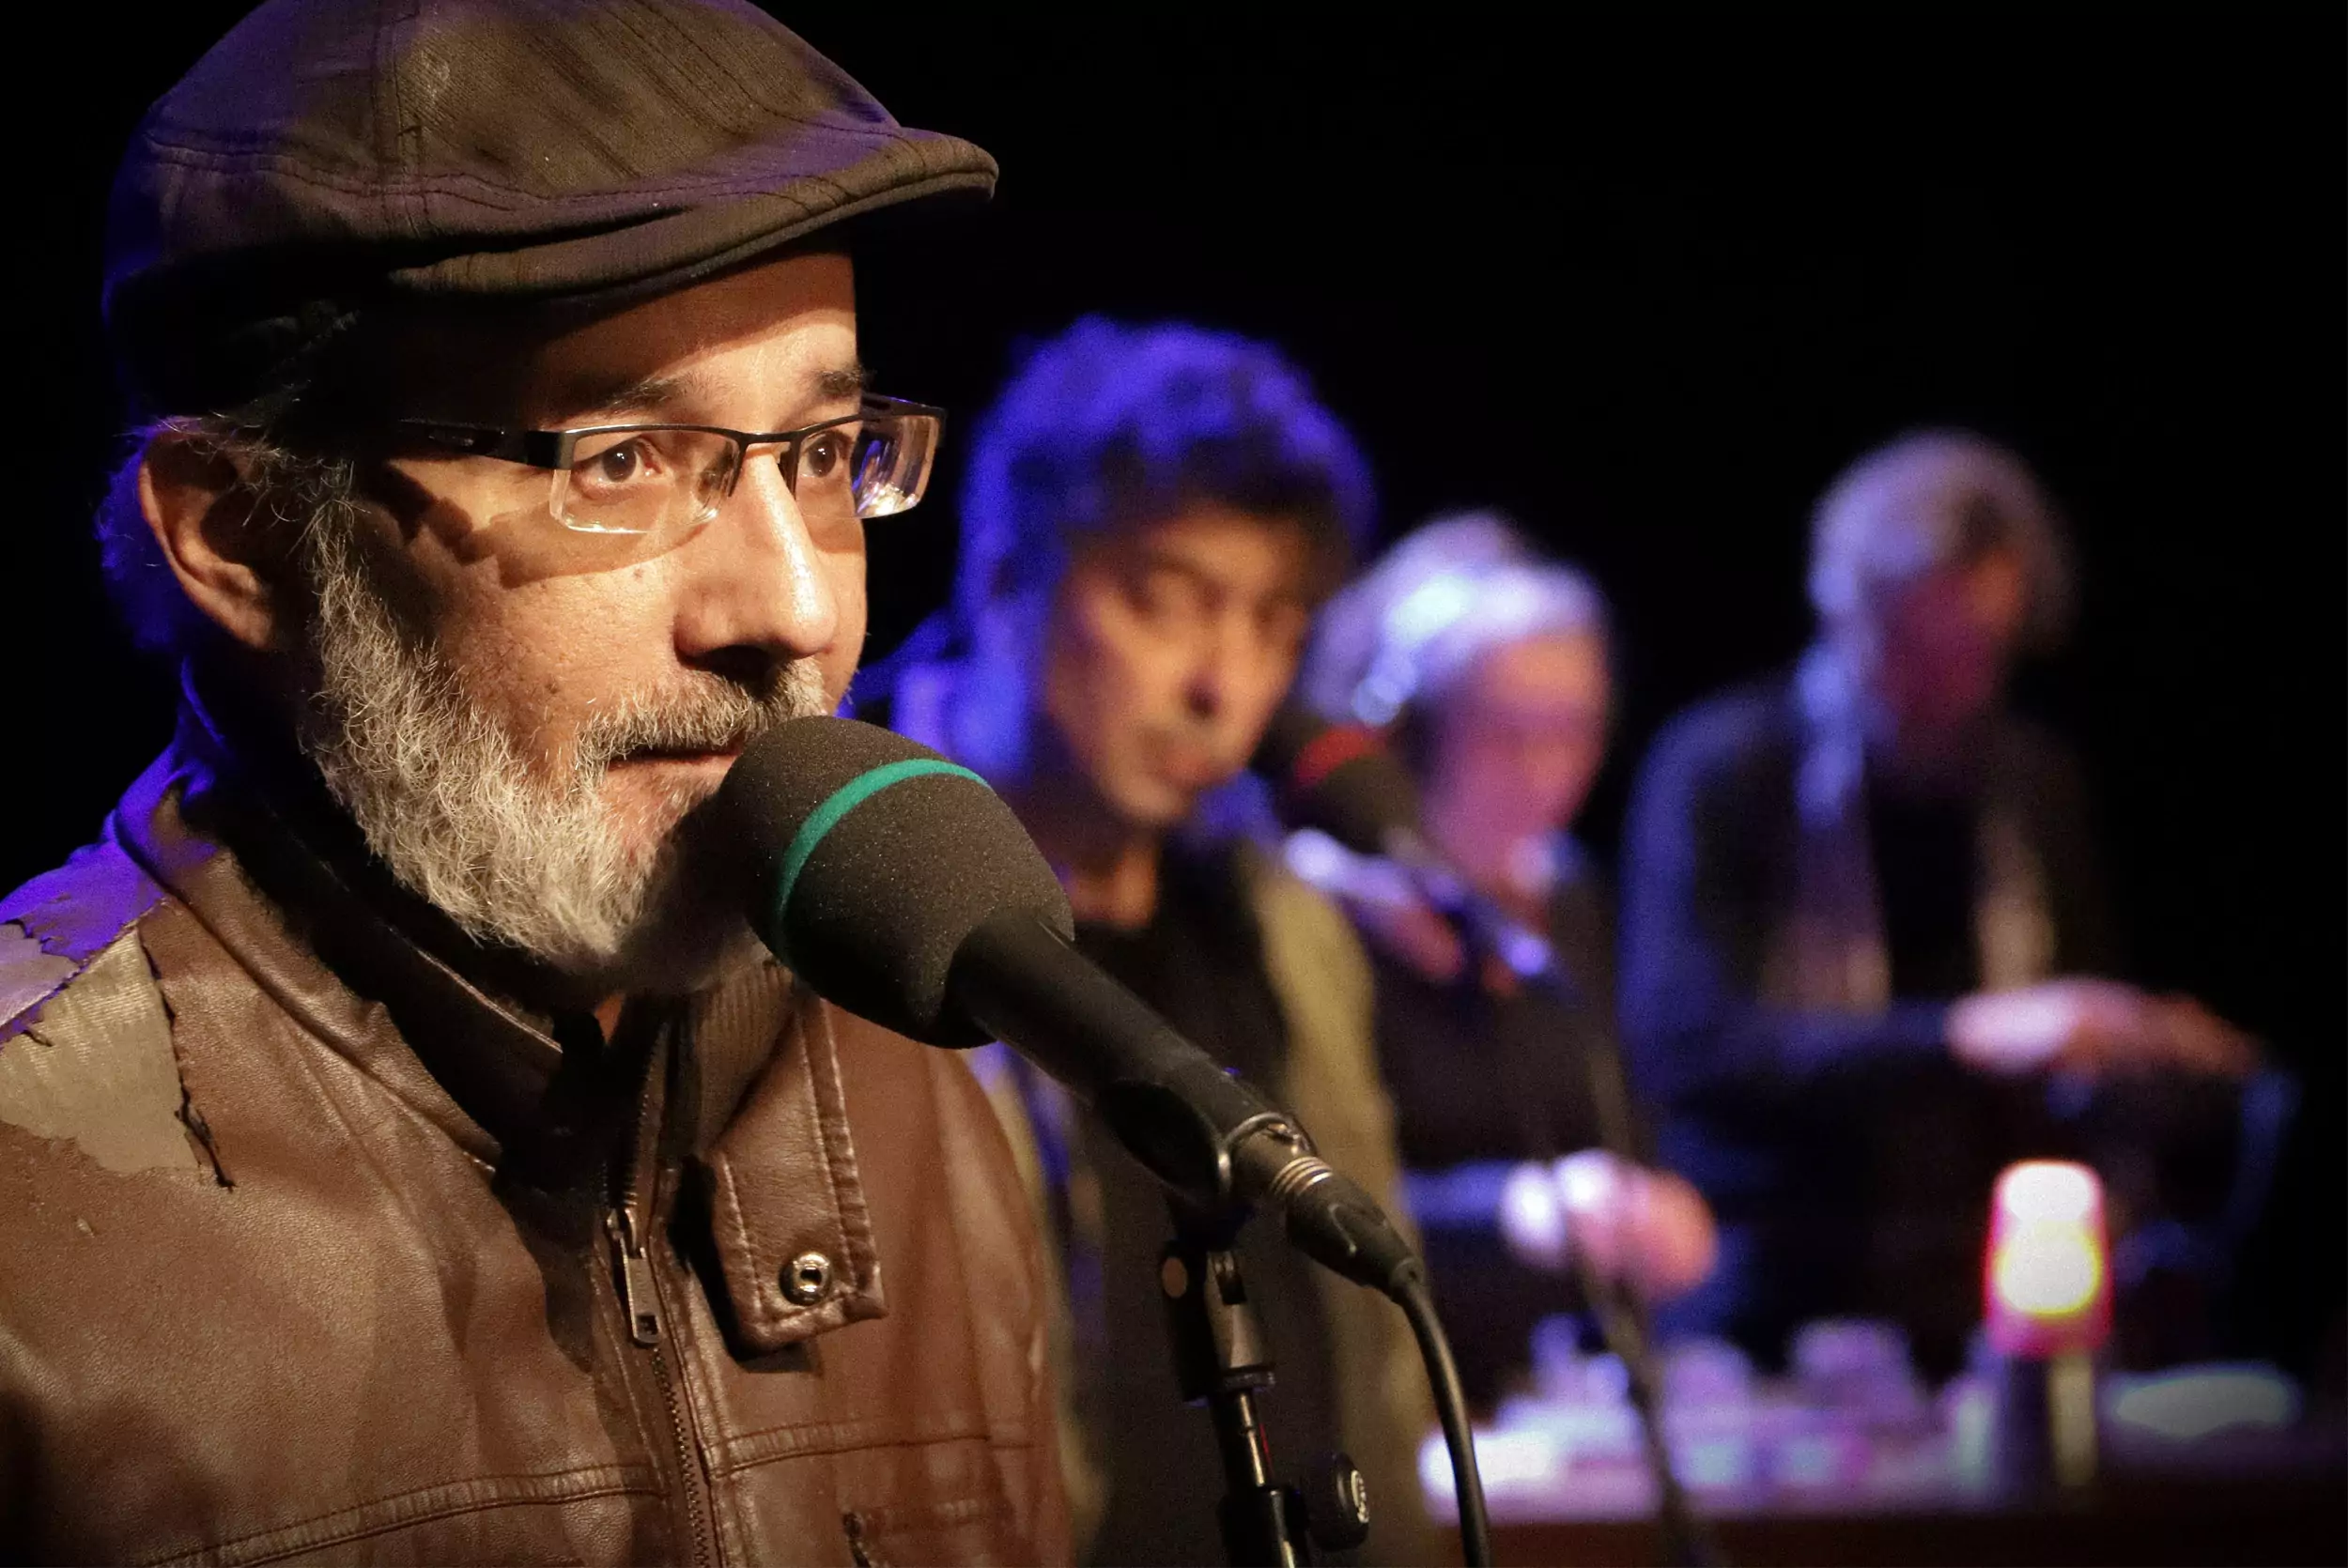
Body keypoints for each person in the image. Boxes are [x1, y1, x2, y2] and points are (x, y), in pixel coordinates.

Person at [0, 3, 1070, 1561]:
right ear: (239, 533)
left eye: (825, 453)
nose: (793, 608)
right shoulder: (29, 1200)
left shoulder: (915, 1107)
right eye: (619, 460)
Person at [882, 317, 1439, 1565]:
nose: (1221, 685)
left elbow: (1373, 1357)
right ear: (1007, 578)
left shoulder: (1282, 921)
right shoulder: (863, 905)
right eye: (1170, 601)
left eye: (1273, 625)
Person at [1618, 430, 2260, 1378]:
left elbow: (2065, 1040)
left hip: (1989, 1298)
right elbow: (1685, 1044)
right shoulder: (1724, 767)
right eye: (1907, 647)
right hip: (1767, 1296)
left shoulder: (2031, 783)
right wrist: (1966, 1034)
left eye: (1974, 651)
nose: (1942, 688)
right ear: (1840, 609)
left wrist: (2139, 1041)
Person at [1294, 513, 1715, 1407]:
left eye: (1575, 731)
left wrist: (1647, 1210)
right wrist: (1511, 1213)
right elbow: (1297, 1199)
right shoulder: (1315, 912)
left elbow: (1616, 1121)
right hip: (1379, 1391)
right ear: (1406, 735)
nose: (1546, 773)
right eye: (1504, 731)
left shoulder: (1566, 894)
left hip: (1545, 1398)